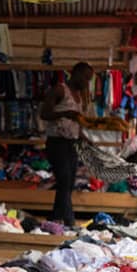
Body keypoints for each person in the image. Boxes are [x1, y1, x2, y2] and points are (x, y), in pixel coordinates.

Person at [40, 61, 93, 227]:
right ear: (75, 73)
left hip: (72, 143)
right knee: (64, 180)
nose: (86, 82)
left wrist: (83, 137)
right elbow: (45, 113)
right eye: (85, 77)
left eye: (89, 79)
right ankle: (70, 221)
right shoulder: (60, 90)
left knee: (68, 183)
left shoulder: (80, 96)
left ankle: (54, 218)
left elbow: (75, 123)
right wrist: (66, 113)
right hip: (57, 142)